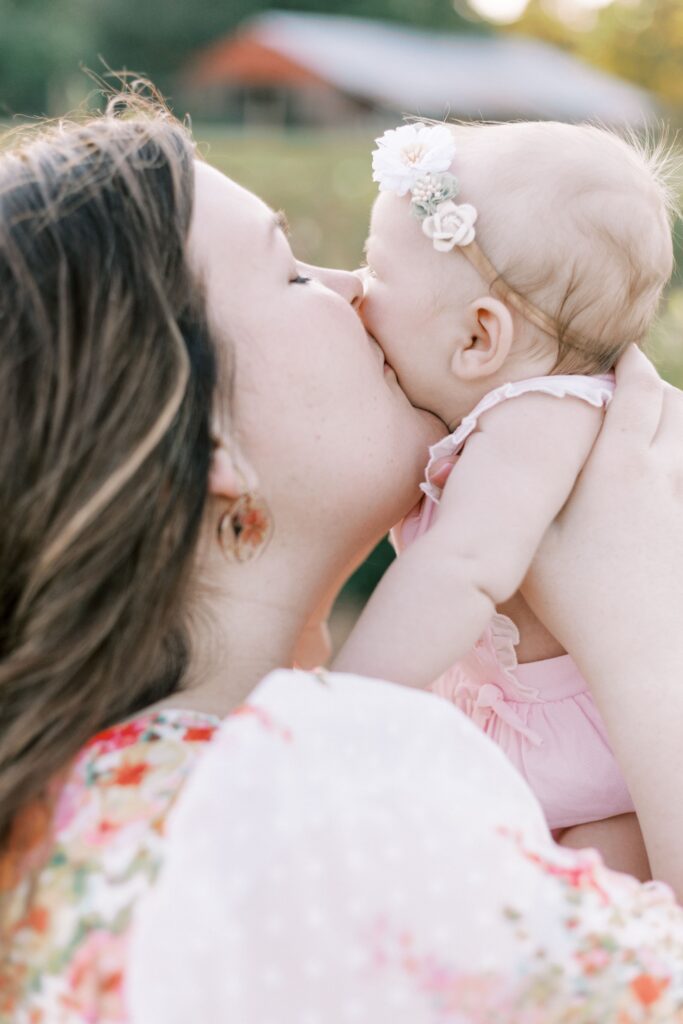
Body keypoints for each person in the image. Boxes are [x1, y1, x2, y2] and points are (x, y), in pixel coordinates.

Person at [0, 93, 682, 1024]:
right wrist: (646, 637)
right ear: (208, 445)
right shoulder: (320, 817)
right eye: (288, 278)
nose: (353, 289)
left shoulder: (96, 809)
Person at [334, 120, 679, 879]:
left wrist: (337, 710)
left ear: (478, 339)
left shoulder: (539, 414)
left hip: (584, 749)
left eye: (373, 267)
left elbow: (464, 567)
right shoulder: (535, 417)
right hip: (574, 745)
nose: (357, 291)